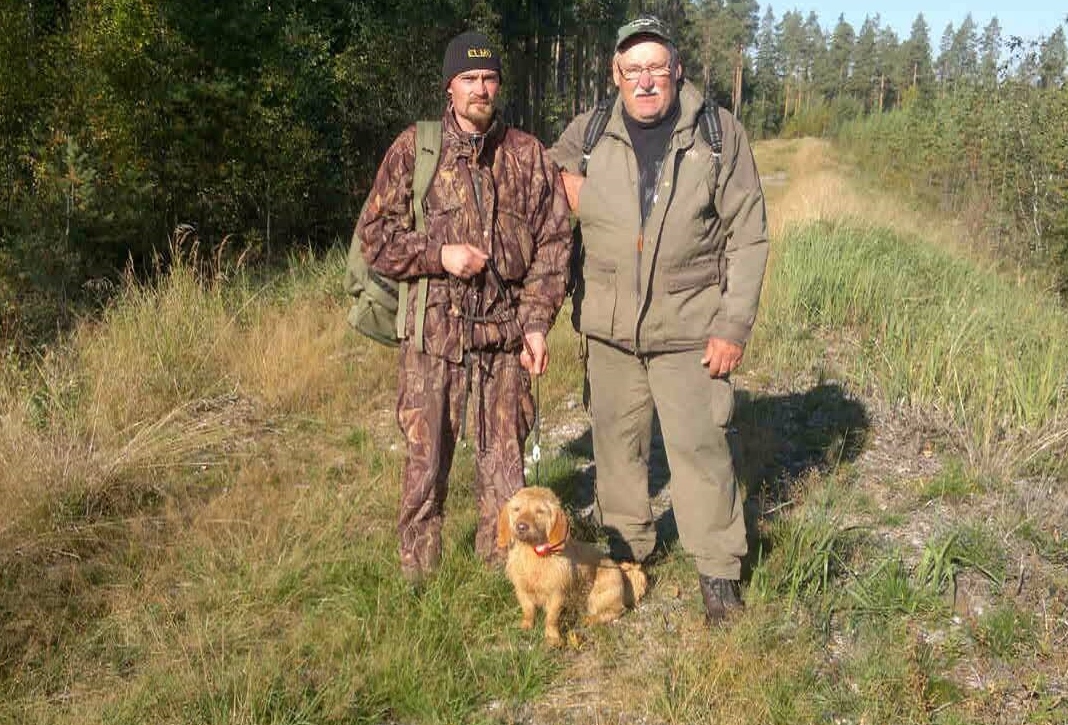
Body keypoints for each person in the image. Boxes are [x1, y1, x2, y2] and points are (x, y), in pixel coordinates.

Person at [548, 16, 768, 623]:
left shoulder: (717, 134)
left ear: (676, 69)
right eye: (632, 70)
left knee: (700, 448)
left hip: (690, 327)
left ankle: (718, 570)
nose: (645, 81)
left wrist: (733, 325)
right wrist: (563, 183)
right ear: (615, 74)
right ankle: (627, 552)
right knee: (617, 447)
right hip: (610, 328)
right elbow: (534, 184)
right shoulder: (589, 131)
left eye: (655, 68)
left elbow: (749, 235)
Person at [356, 31, 572, 585]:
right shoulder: (416, 150)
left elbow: (554, 245)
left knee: (504, 466)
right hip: (434, 338)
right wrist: (440, 254)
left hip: (505, 340)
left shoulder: (528, 156)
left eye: (489, 78)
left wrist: (537, 324)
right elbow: (374, 238)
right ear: (449, 87)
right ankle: (418, 579)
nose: (480, 88)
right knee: (425, 465)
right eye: (469, 78)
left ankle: (503, 574)